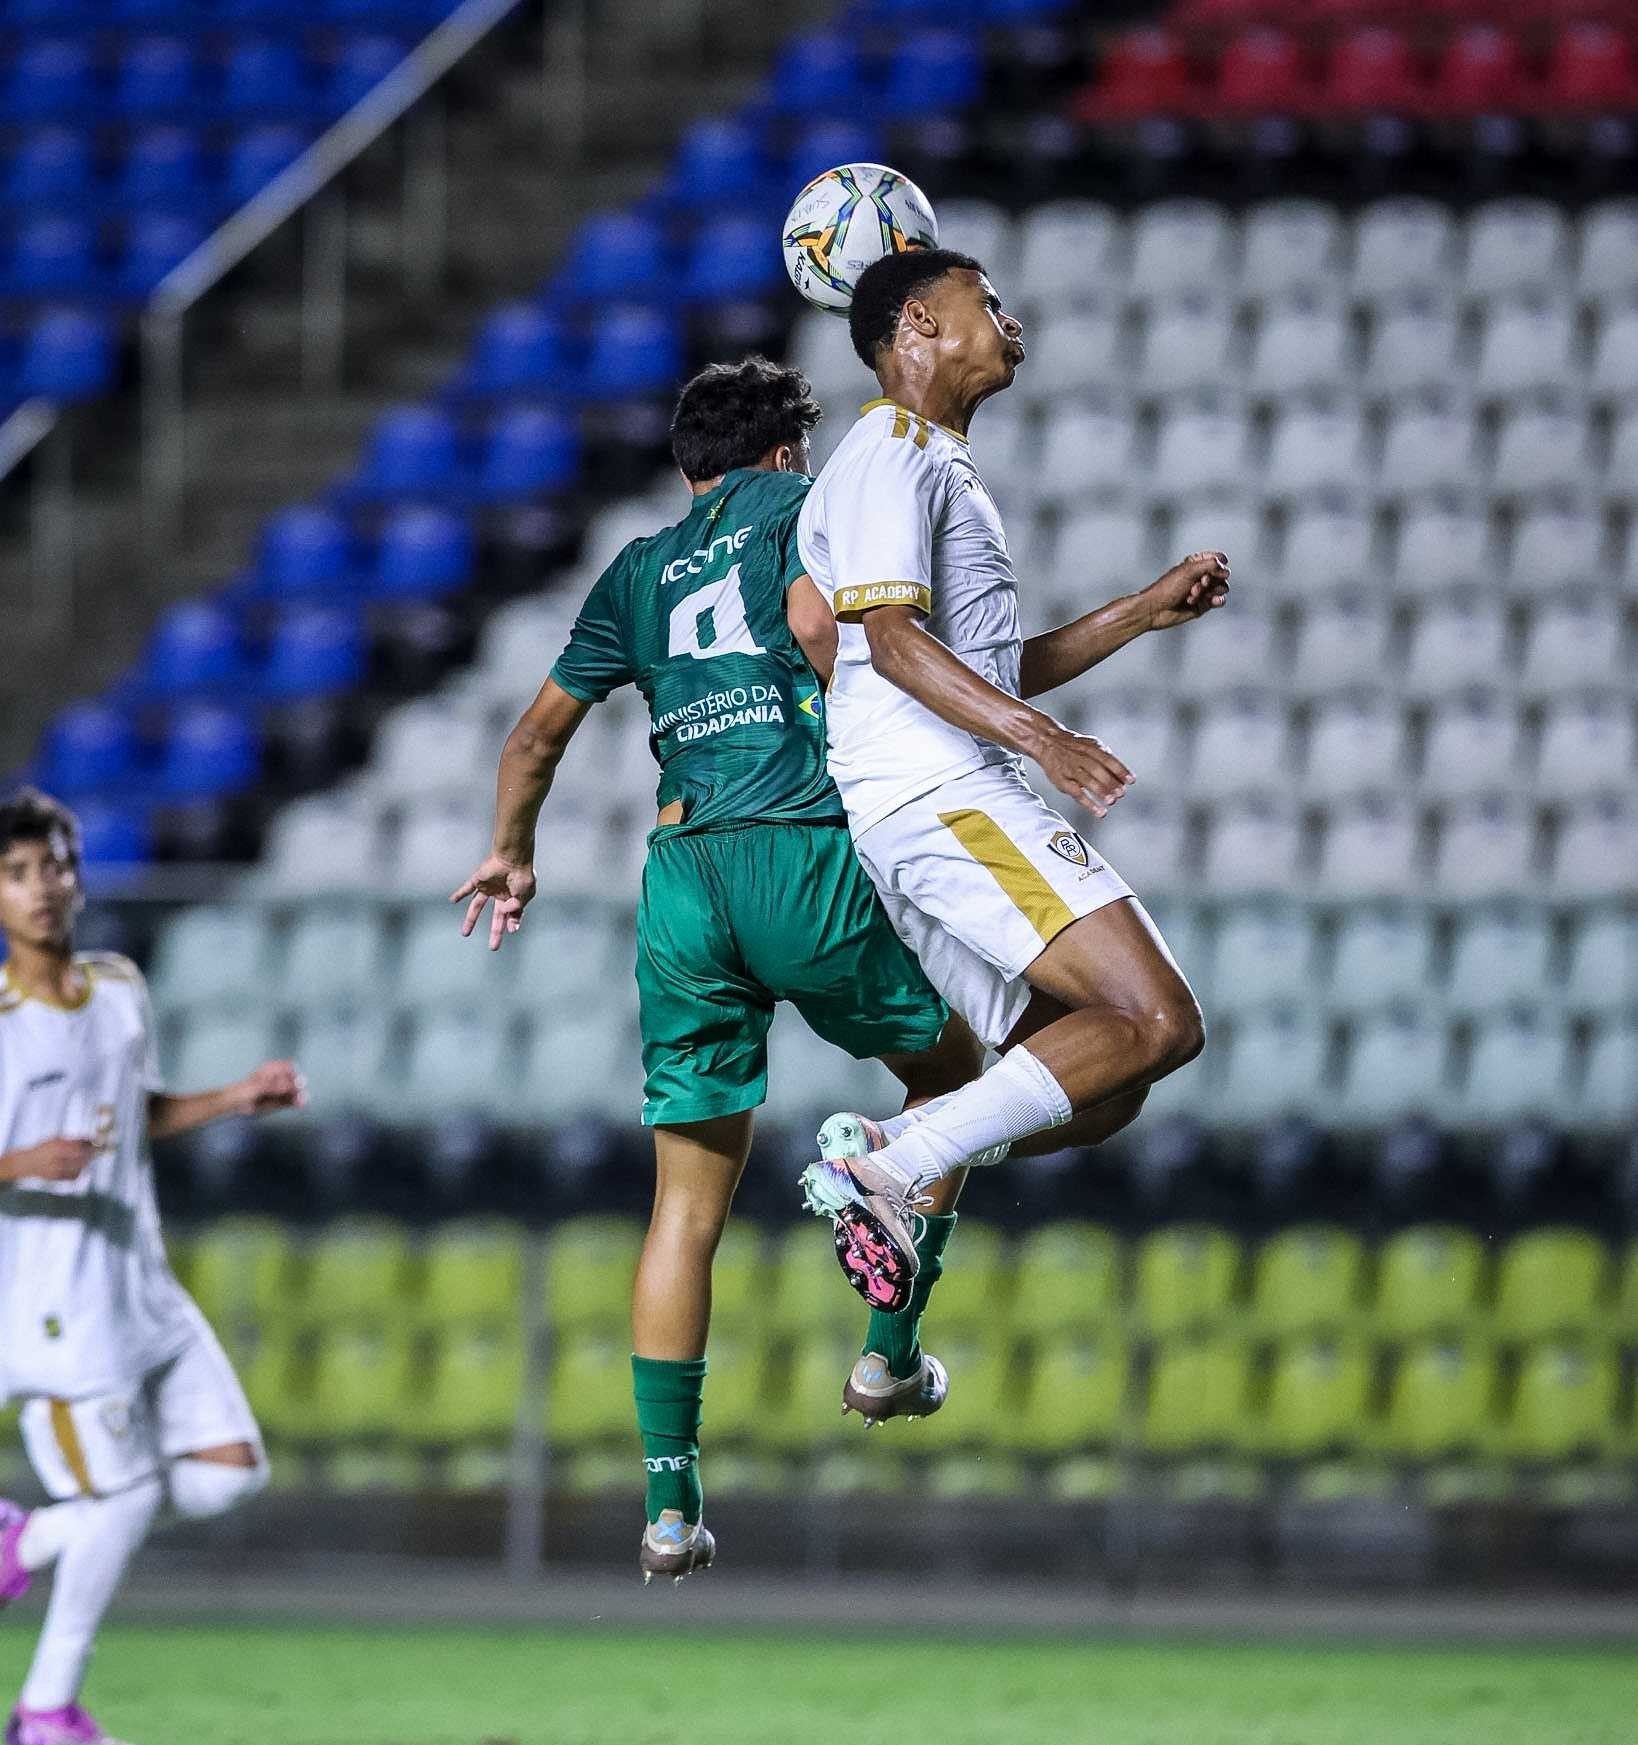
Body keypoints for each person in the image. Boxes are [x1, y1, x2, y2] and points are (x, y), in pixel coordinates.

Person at [451, 358, 990, 1586]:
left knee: (683, 1207)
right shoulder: (810, 507)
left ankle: (668, 1507)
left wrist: (510, 854)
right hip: (796, 844)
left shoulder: (637, 569)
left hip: (683, 878)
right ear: (786, 454)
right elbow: (815, 625)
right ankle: (887, 1354)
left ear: (689, 468)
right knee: (962, 1086)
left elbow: (536, 730)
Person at [793, 247, 1231, 1303]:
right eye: (983, 302)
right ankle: (893, 1165)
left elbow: (972, 664)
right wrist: (1044, 740)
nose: (1008, 317)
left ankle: (899, 1149)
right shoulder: (889, 451)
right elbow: (893, 644)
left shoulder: (929, 460)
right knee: (1161, 1018)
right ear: (918, 328)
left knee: (1103, 1084)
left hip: (928, 803)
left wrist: (1134, 612)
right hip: (946, 796)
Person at [0, 789, 305, 1745]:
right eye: (17, 874)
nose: (43, 887)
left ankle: (29, 1538)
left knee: (230, 1471)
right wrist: (19, 1163)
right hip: (57, 1309)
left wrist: (231, 1097)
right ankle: (47, 1709)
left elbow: (138, 1112)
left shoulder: (120, 983)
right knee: (122, 1495)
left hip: (144, 1283)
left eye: (55, 865)